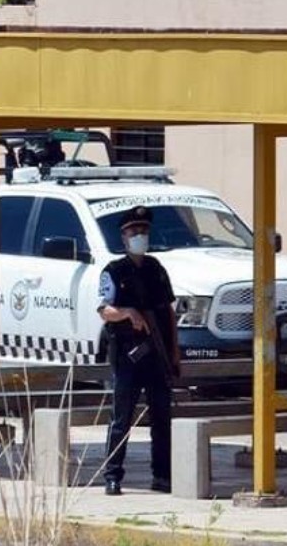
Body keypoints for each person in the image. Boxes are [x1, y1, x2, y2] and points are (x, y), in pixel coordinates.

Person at [98, 205, 181, 495]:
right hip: (127, 355)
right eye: (134, 231)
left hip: (156, 354)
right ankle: (112, 475)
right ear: (124, 236)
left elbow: (168, 312)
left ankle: (163, 475)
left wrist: (174, 352)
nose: (140, 235)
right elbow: (104, 310)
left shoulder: (156, 269)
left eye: (144, 230)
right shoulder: (114, 271)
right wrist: (127, 312)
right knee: (121, 418)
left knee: (161, 417)